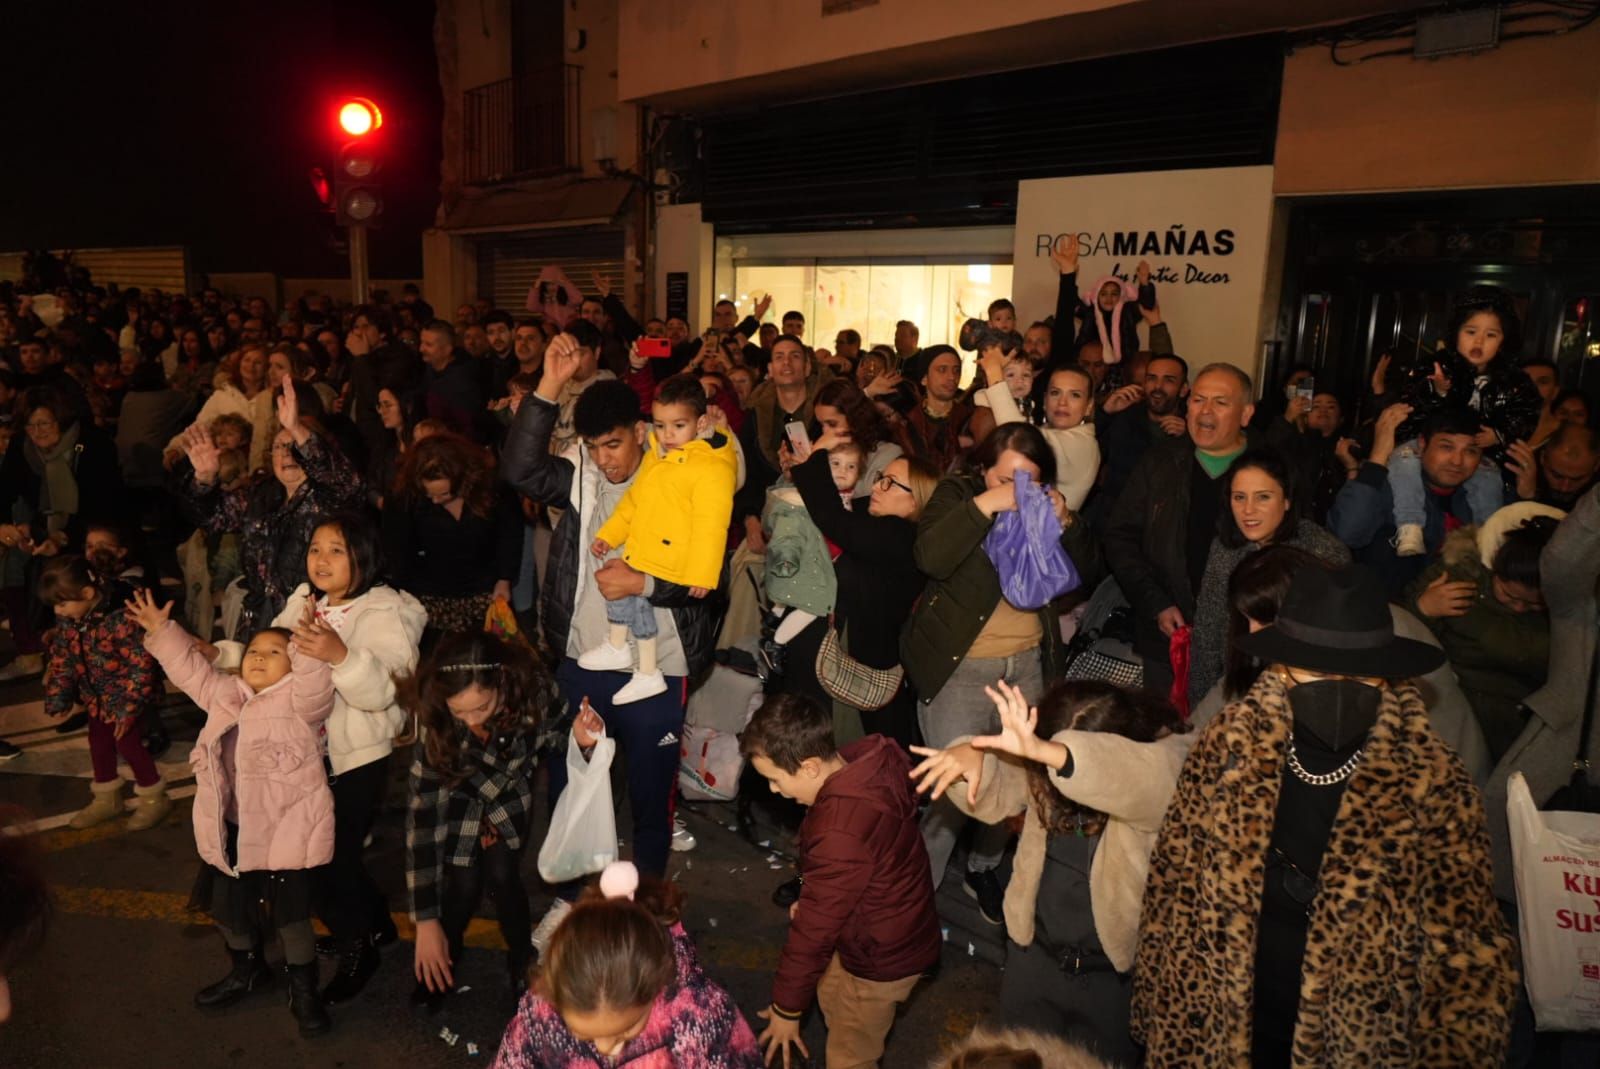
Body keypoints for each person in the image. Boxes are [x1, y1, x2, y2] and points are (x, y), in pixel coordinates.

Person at [1131, 564, 1516, 1066]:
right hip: (1221, 1024)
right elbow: (1172, 884)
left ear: (1387, 674)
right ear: (1283, 668)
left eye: (1359, 674)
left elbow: (1467, 947)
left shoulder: (1432, 780)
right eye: (1315, 670)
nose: (1336, 688)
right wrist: (1156, 1015)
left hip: (1361, 1043)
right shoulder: (1228, 747)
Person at [501, 349, 719, 948]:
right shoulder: (579, 475)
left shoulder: (684, 473)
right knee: (573, 785)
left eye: (615, 445)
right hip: (584, 663)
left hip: (659, 665)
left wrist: (643, 585)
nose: (605, 459)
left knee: (650, 796)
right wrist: (548, 386)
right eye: (594, 446)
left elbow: (707, 575)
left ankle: (645, 911)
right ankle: (571, 901)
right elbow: (518, 469)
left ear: (642, 433)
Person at [911, 679, 1191, 1063]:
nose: (1049, 773)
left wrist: (1057, 755)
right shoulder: (1041, 773)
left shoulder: (1163, 765)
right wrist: (971, 762)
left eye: (1054, 757)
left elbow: (1145, 782)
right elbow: (1000, 785)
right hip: (1035, 963)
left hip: (1113, 982)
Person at [208, 512, 425, 1002]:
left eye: (336, 550)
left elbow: (388, 690)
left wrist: (340, 655)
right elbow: (271, 654)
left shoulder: (387, 611)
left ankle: (358, 948)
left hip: (354, 757)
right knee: (330, 856)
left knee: (324, 861)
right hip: (303, 755)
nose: (321, 560)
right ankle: (374, 926)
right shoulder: (305, 601)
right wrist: (219, 656)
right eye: (315, 549)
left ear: (364, 557)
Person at [128, 589, 338, 1037]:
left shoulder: (302, 704)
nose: (260, 657)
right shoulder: (225, 693)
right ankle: (247, 970)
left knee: (292, 921)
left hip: (287, 835)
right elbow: (190, 671)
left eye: (276, 652)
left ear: (295, 662)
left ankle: (304, 991)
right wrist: (162, 631)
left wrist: (308, 645)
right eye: (254, 651)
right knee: (228, 911)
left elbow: (316, 681)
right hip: (232, 829)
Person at [902, 424, 1081, 923]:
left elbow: (1084, 567)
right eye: (1005, 479)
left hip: (1026, 667)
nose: (1018, 491)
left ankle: (983, 868)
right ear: (982, 469)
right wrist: (988, 505)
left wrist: (1064, 521)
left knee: (1014, 783)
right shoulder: (958, 495)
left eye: (1030, 482)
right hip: (961, 670)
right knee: (953, 789)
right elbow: (930, 557)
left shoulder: (1047, 504)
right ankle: (916, 888)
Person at [741, 693, 941, 1069]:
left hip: (879, 957)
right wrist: (818, 897)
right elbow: (844, 881)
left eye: (774, 778)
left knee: (851, 1055)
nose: (773, 790)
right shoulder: (861, 765)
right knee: (836, 1001)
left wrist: (786, 1009)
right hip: (879, 927)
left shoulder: (840, 830)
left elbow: (814, 931)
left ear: (810, 767)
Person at [398, 632, 550, 1011]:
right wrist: (425, 922)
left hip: (508, 793)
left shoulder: (533, 693)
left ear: (502, 681)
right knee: (463, 883)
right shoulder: (436, 722)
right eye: (458, 712)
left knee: (503, 875)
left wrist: (584, 739)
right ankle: (440, 962)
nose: (469, 720)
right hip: (460, 795)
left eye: (480, 708)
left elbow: (562, 730)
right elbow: (423, 822)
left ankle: (521, 959)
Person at [491, 861, 762, 1068]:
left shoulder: (700, 1018)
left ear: (656, 984)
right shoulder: (542, 1013)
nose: (606, 1048)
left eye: (625, 1032)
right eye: (584, 1036)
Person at [580, 374, 737, 704]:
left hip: (673, 559)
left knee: (639, 609)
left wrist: (702, 574)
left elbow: (712, 528)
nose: (668, 435)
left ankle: (647, 671)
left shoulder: (712, 468)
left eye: (678, 426)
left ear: (701, 423)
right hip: (645, 549)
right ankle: (621, 649)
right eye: (661, 425)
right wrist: (609, 535)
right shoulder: (658, 454)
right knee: (625, 596)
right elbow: (632, 503)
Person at [1103, 363, 1255, 694]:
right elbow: (1119, 536)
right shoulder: (1159, 462)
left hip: (1243, 643)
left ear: (1246, 414)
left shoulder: (1268, 470)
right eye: (1198, 400)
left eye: (1220, 402)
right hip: (1168, 635)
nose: (1205, 411)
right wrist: (1155, 602)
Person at [783, 436, 939, 748]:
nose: (878, 486)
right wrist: (807, 468)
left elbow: (832, 517)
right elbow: (834, 507)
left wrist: (817, 457)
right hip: (847, 663)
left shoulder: (900, 535)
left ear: (916, 501)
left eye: (890, 483)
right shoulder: (881, 521)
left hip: (856, 672)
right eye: (880, 477)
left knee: (848, 751)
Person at [177, 387, 366, 637]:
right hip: (260, 619)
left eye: (295, 446)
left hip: (315, 622)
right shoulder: (260, 494)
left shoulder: (332, 496)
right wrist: (205, 478)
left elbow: (347, 482)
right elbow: (211, 518)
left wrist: (297, 428)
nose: (286, 454)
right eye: (278, 447)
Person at [1187, 451, 1351, 706]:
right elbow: (1208, 633)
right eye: (1239, 497)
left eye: (1263, 497)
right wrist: (1201, 705)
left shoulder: (1323, 553)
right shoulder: (1225, 547)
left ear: (1287, 500)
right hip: (1235, 685)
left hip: (1302, 695)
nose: (1248, 510)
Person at [1386, 288, 1541, 555]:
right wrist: (1439, 392)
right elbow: (1413, 408)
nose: (1479, 341)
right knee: (1404, 461)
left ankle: (1487, 537)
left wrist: (1500, 434)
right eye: (1471, 331)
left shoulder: (1513, 380)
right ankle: (1410, 526)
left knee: (1489, 479)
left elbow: (1526, 414)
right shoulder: (1434, 368)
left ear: (1503, 340)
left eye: (1491, 335)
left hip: (1481, 454)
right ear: (1455, 333)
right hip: (1428, 448)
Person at [1406, 507, 1558, 762]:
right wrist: (1423, 609)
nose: (1519, 608)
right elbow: (1405, 639)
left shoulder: (1567, 609)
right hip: (1453, 700)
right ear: (1494, 568)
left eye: (1534, 604)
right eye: (1509, 595)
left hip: (1518, 714)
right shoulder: (1456, 577)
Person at [0, 386, 126, 681]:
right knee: (53, 596)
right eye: (30, 425)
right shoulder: (22, 446)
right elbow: (5, 490)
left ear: (62, 419)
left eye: (44, 423)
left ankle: (98, 666)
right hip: (48, 532)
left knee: (89, 596)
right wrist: (6, 525)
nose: (37, 432)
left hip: (97, 531)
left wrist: (62, 537)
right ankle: (59, 663)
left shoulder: (93, 444)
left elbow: (102, 504)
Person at [38, 555, 170, 830]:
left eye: (62, 604)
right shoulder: (73, 619)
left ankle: (154, 797)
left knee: (128, 745)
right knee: (98, 743)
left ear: (87, 593)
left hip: (128, 698)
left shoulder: (121, 618)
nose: (59, 611)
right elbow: (63, 656)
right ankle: (107, 797)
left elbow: (141, 666)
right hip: (96, 698)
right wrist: (59, 694)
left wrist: (129, 708)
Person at [1327, 404, 1495, 596]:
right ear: (1421, 445)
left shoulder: (1483, 498)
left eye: (1471, 451)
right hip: (1385, 608)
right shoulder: (1389, 488)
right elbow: (1347, 534)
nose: (1457, 461)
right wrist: (1378, 458)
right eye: (1446, 447)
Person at [384, 432, 520, 635]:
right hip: (430, 594)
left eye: (445, 494)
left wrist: (504, 579)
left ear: (464, 479)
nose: (436, 501)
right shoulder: (404, 497)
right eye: (429, 494)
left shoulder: (492, 489)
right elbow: (398, 553)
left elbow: (509, 537)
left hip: (486, 590)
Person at [736, 335, 832, 552]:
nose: (786, 363)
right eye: (779, 357)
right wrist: (751, 521)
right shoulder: (755, 415)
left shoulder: (826, 413)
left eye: (794, 356)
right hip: (766, 519)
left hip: (819, 519)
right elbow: (747, 474)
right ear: (770, 369)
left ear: (807, 367)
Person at [977, 351, 1098, 509]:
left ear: (1089, 406)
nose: (1062, 402)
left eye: (1075, 395)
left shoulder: (1083, 444)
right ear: (1045, 400)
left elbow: (1015, 438)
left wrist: (994, 371)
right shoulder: (1047, 432)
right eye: (1055, 393)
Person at [1049, 236, 1156, 386]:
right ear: (1096, 296)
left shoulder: (1127, 312)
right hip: (1090, 365)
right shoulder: (1091, 312)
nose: (1109, 298)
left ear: (1122, 296)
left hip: (1122, 368)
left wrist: (1145, 284)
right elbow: (1069, 304)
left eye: (1114, 294)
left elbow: (1146, 306)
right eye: (1104, 294)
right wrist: (1068, 273)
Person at [1093, 354, 1189, 507]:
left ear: (1183, 390)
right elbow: (1084, 450)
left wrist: (1187, 439)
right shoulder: (1124, 418)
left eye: (1168, 380)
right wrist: (1105, 413)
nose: (1158, 387)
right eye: (1152, 378)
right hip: (1115, 511)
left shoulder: (1192, 428)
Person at [903, 345, 973, 474]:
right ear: (924, 379)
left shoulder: (970, 420)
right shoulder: (907, 424)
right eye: (942, 370)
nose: (952, 377)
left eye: (956, 370)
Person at [1506, 421, 1600, 509]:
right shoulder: (1518, 471)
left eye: (1577, 479)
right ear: (1542, 458)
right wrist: (1526, 497)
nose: (1564, 488)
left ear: (1596, 465)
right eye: (1556, 476)